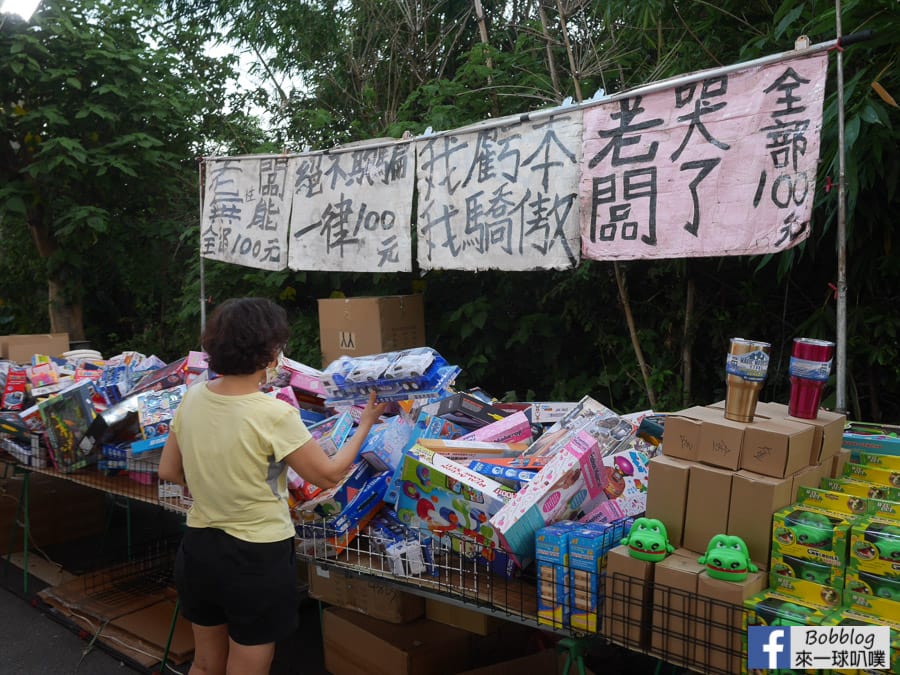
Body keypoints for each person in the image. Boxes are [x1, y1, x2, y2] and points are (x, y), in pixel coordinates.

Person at [159, 297, 385, 675]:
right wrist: (364, 425)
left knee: (204, 664)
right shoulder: (274, 413)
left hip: (199, 549)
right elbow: (327, 476)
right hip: (255, 558)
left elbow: (168, 470)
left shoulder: (193, 397)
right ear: (268, 352)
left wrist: (214, 486)